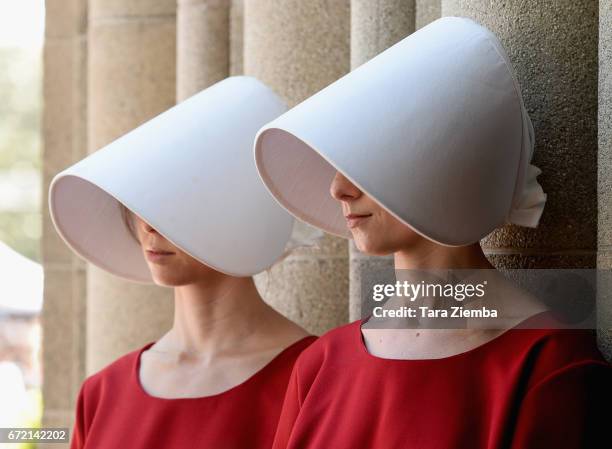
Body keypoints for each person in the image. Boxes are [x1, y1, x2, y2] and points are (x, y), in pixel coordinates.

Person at [253, 17, 612, 448]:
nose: (338, 189)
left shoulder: (549, 370)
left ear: (440, 160)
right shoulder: (319, 366)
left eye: (365, 162)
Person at [48, 76, 318, 449]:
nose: (148, 223)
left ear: (238, 207)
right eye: (139, 199)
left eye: (175, 200)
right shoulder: (102, 393)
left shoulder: (311, 378)